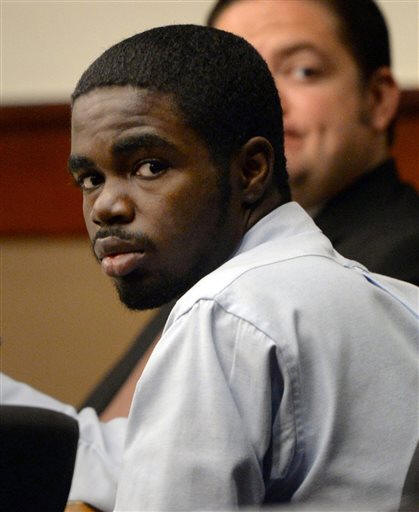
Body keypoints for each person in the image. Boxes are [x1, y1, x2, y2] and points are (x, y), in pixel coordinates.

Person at [2, 25, 418, 511]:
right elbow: (122, 458)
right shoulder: (402, 304)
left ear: (251, 170)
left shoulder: (223, 313)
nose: (105, 206)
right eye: (90, 178)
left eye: (150, 166)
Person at [208, 0, 419, 285]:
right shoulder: (207, 252)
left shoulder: (400, 263)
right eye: (234, 82)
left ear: (377, 99)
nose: (261, 103)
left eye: (304, 72)